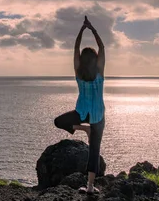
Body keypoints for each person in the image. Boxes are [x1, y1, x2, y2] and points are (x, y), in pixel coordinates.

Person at [54, 15, 106, 195]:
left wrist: (82, 30)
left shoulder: (78, 73)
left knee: (59, 121)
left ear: (83, 60)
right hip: (98, 116)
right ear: (95, 60)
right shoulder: (99, 74)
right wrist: (93, 29)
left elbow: (76, 47)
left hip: (82, 114)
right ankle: (90, 186)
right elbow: (102, 47)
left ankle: (83, 129)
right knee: (94, 151)